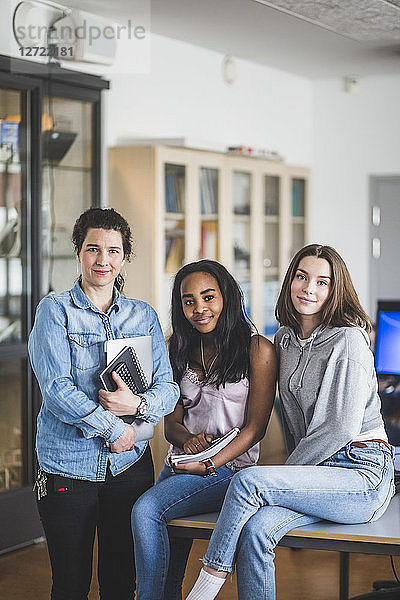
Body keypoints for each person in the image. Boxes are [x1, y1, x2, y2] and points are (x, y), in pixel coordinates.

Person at [186, 244, 395, 600]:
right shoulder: (284, 338)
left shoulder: (348, 340)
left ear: (335, 290)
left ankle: (206, 586)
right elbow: (293, 420)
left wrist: (281, 476)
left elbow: (338, 429)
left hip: (361, 475)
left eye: (322, 282)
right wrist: (287, 479)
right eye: (301, 276)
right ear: (290, 281)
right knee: (255, 530)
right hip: (315, 475)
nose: (309, 289)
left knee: (250, 481)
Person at [28, 207, 179, 600]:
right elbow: (57, 390)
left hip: (130, 467)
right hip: (67, 466)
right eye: (93, 249)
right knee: (71, 583)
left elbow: (168, 388)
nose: (103, 260)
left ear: (125, 257)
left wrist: (138, 404)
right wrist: (115, 428)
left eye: (113, 250)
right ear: (78, 252)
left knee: (120, 579)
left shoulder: (143, 315)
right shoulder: (54, 311)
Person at [129, 259, 277, 600]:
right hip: (180, 463)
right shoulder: (177, 347)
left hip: (229, 468)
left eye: (208, 297)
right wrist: (189, 440)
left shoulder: (258, 350)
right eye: (189, 300)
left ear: (226, 296)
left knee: (146, 510)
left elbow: (254, 430)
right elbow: (171, 425)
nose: (199, 308)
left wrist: (210, 462)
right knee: (167, 542)